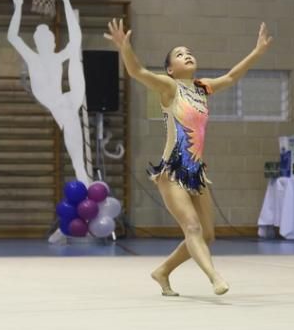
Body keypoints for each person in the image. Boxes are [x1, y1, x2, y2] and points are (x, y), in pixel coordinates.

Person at [104, 19, 273, 296]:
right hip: (172, 171)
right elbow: (138, 71)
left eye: (189, 51)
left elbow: (231, 77)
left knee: (208, 235)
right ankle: (215, 277)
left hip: (196, 172)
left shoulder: (202, 87)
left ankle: (162, 272)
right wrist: (125, 48)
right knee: (192, 227)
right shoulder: (169, 88)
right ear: (171, 69)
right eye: (180, 54)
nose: (187, 55)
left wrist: (257, 52)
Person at [8, 0, 91, 184]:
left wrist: (66, 1)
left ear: (53, 42)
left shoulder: (56, 57)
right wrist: (17, 7)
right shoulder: (33, 57)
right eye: (43, 40)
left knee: (74, 55)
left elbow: (76, 39)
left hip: (65, 99)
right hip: (52, 100)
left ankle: (81, 170)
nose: (49, 43)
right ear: (38, 43)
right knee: (69, 115)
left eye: (51, 40)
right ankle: (80, 170)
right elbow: (12, 37)